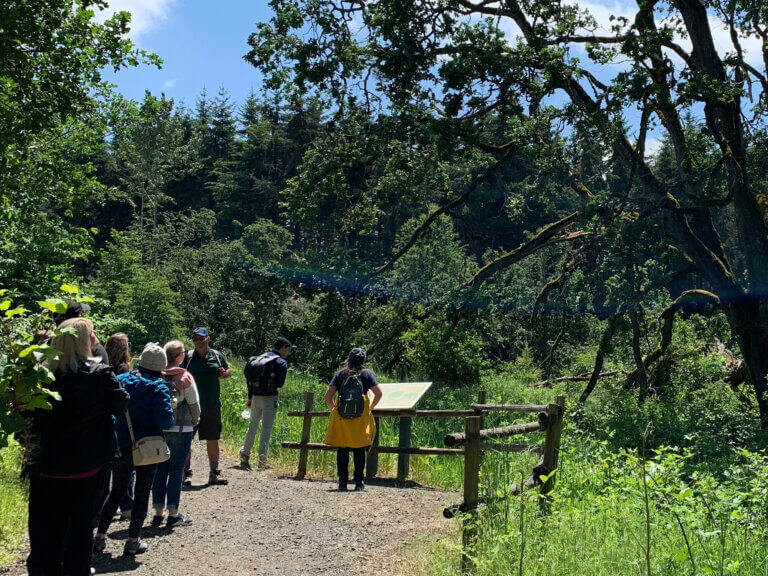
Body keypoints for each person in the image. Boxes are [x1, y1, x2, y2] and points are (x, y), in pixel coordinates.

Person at [25, 318, 129, 576]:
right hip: (88, 465)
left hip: (48, 466)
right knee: (81, 527)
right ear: (84, 341)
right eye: (92, 333)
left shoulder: (41, 378)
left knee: (47, 527)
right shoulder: (100, 375)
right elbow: (121, 404)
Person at [94, 344, 174, 556]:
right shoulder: (159, 387)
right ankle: (132, 541)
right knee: (142, 492)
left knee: (117, 491)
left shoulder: (121, 380)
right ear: (161, 366)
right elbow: (165, 421)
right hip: (148, 447)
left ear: (141, 362)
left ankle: (100, 537)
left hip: (122, 444)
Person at [151, 340, 201, 527]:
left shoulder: (157, 376)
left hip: (160, 429)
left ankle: (157, 513)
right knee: (177, 471)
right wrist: (195, 422)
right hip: (182, 429)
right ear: (179, 356)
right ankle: (173, 514)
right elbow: (194, 405)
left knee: (160, 471)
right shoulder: (184, 377)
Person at [324, 348, 382, 491]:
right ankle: (359, 482)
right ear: (363, 361)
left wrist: (334, 409)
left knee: (342, 450)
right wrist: (369, 409)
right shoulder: (366, 374)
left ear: (348, 358)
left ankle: (342, 482)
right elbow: (378, 393)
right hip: (360, 417)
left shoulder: (340, 374)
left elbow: (328, 396)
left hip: (342, 417)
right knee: (359, 449)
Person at [183, 327, 232, 485]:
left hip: (211, 404)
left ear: (208, 339)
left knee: (213, 438)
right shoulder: (188, 357)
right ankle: (185, 474)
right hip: (190, 405)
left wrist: (226, 373)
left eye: (201, 338)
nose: (198, 341)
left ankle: (214, 473)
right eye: (195, 338)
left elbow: (227, 369)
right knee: (186, 439)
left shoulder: (217, 356)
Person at [239, 337, 292, 470]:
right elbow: (280, 384)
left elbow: (249, 379)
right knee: (266, 430)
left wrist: (250, 397)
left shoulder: (259, 359)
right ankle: (262, 461)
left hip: (255, 396)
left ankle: (245, 455)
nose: (288, 353)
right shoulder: (281, 362)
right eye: (288, 350)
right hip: (270, 398)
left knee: (252, 426)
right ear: (283, 348)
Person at [104, 332, 135, 521]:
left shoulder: (102, 366)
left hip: (104, 421)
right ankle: (127, 506)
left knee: (107, 466)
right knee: (126, 466)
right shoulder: (124, 369)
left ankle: (107, 504)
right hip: (120, 422)